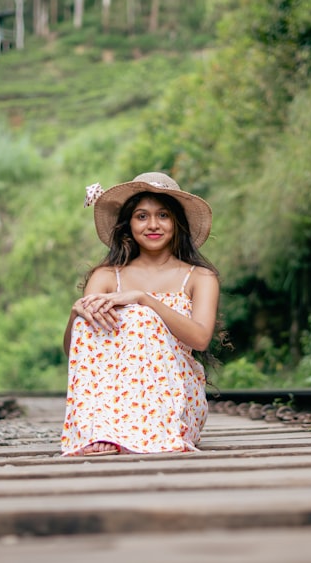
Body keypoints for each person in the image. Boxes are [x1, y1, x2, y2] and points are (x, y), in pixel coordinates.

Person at [60, 171, 221, 456]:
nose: (153, 225)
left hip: (174, 399)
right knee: (89, 319)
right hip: (111, 404)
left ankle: (142, 433)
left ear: (177, 223)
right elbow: (79, 349)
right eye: (142, 216)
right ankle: (103, 429)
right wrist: (75, 315)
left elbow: (200, 339)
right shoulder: (107, 276)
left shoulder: (200, 277)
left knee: (141, 316)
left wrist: (145, 300)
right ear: (129, 224)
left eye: (163, 215)